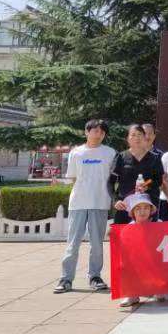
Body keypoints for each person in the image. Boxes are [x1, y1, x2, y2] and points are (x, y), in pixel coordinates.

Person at [54, 119, 116, 294]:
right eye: (95, 130)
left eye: (102, 132)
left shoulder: (110, 153)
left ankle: (95, 277)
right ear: (86, 132)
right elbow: (73, 178)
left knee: (97, 244)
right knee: (73, 243)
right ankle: (66, 278)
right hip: (78, 203)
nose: (98, 134)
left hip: (100, 202)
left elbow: (113, 179)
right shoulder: (76, 153)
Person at [112, 124, 164, 224]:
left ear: (144, 137)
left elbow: (158, 180)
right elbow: (110, 182)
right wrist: (116, 200)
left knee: (148, 233)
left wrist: (147, 185)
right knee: (124, 233)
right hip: (125, 205)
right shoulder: (121, 157)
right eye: (133, 135)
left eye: (140, 134)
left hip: (148, 206)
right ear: (128, 138)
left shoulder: (155, 158)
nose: (137, 138)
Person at [117, 193, 161, 307]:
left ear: (151, 210)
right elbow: (124, 253)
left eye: (146, 208)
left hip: (155, 262)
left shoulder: (159, 225)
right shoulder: (127, 229)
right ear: (133, 212)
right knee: (123, 265)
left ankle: (159, 288)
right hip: (136, 263)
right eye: (138, 208)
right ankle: (132, 295)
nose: (142, 211)